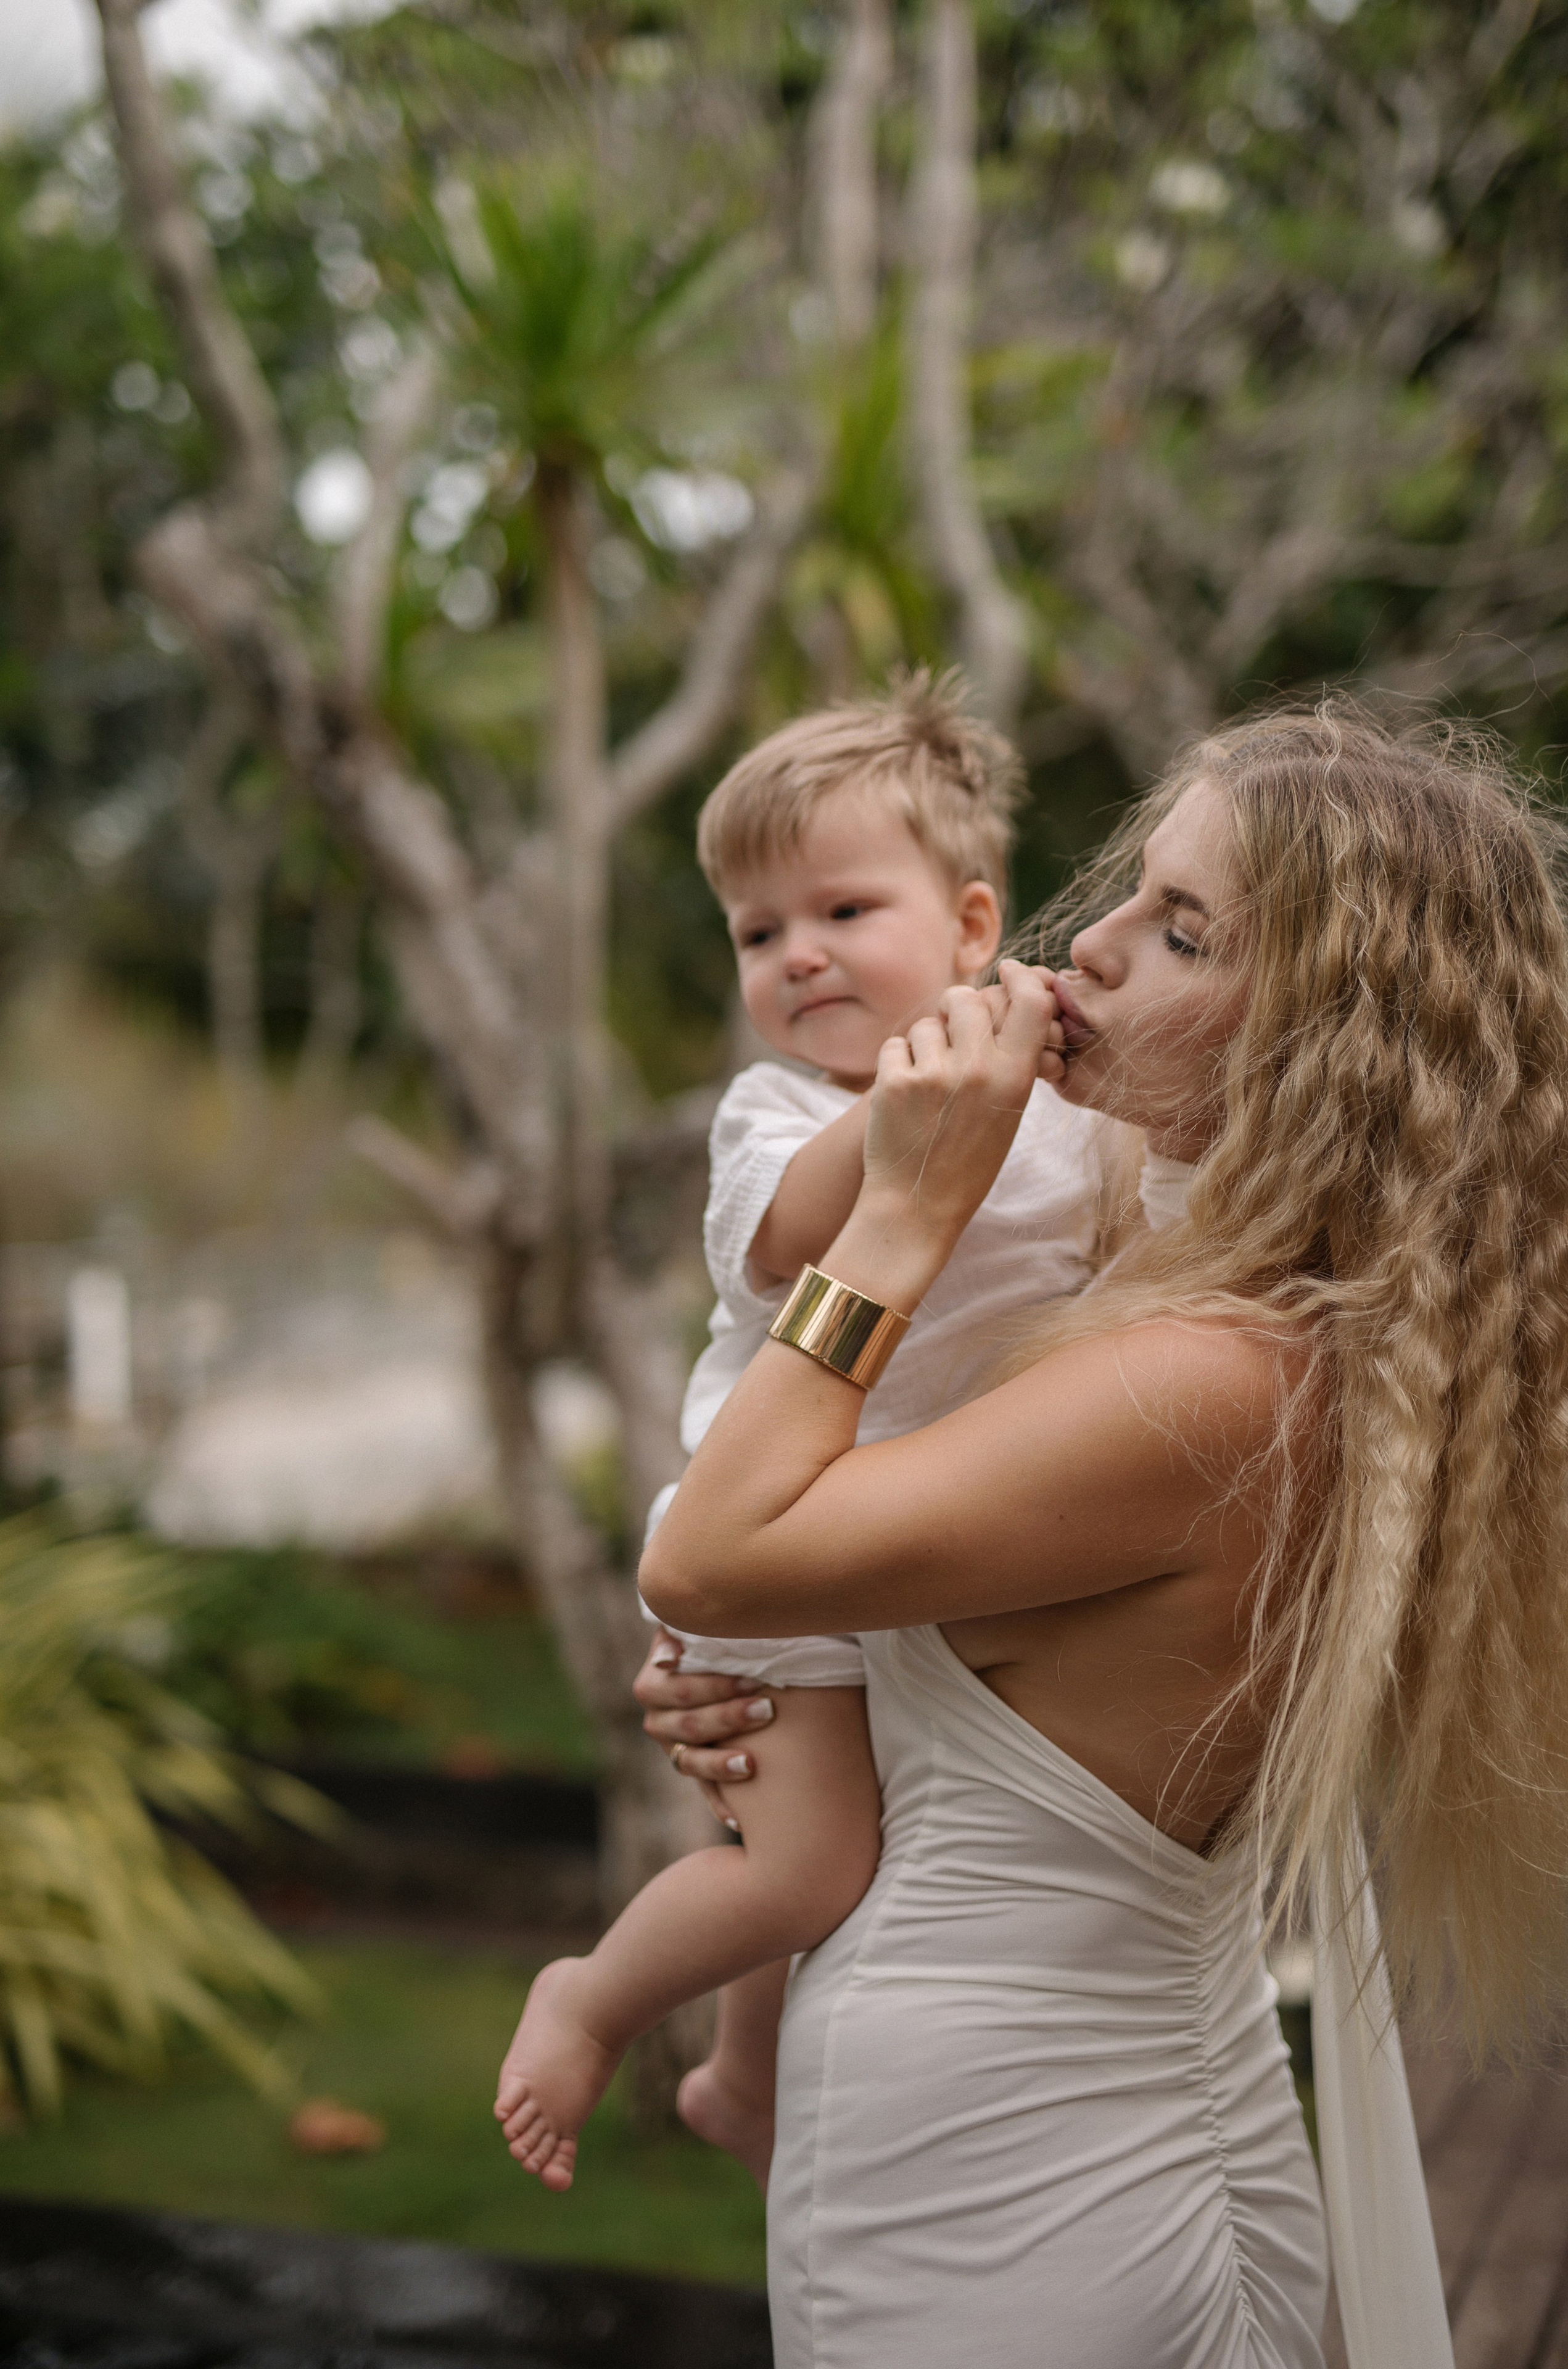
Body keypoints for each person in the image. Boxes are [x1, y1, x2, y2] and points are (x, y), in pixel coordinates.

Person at [637, 709, 1568, 2369]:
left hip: (996, 2186)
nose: (1097, 950)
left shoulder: (1205, 1386)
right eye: (1134, 899)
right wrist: (764, 1687)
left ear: (1324, 1040)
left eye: (1183, 930)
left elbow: (711, 1556)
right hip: (1148, 2125)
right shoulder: (1277, 1328)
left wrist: (904, 1213)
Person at [495, 675, 1112, 2192]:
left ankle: (742, 2079)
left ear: (972, 928)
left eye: (841, 909)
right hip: (770, 1543)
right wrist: (932, 1088)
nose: (800, 956)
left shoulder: (1078, 1116)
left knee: (858, 1862)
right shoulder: (774, 1116)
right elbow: (777, 1242)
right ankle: (593, 1995)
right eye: (758, 934)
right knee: (810, 1863)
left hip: (925, 1548)